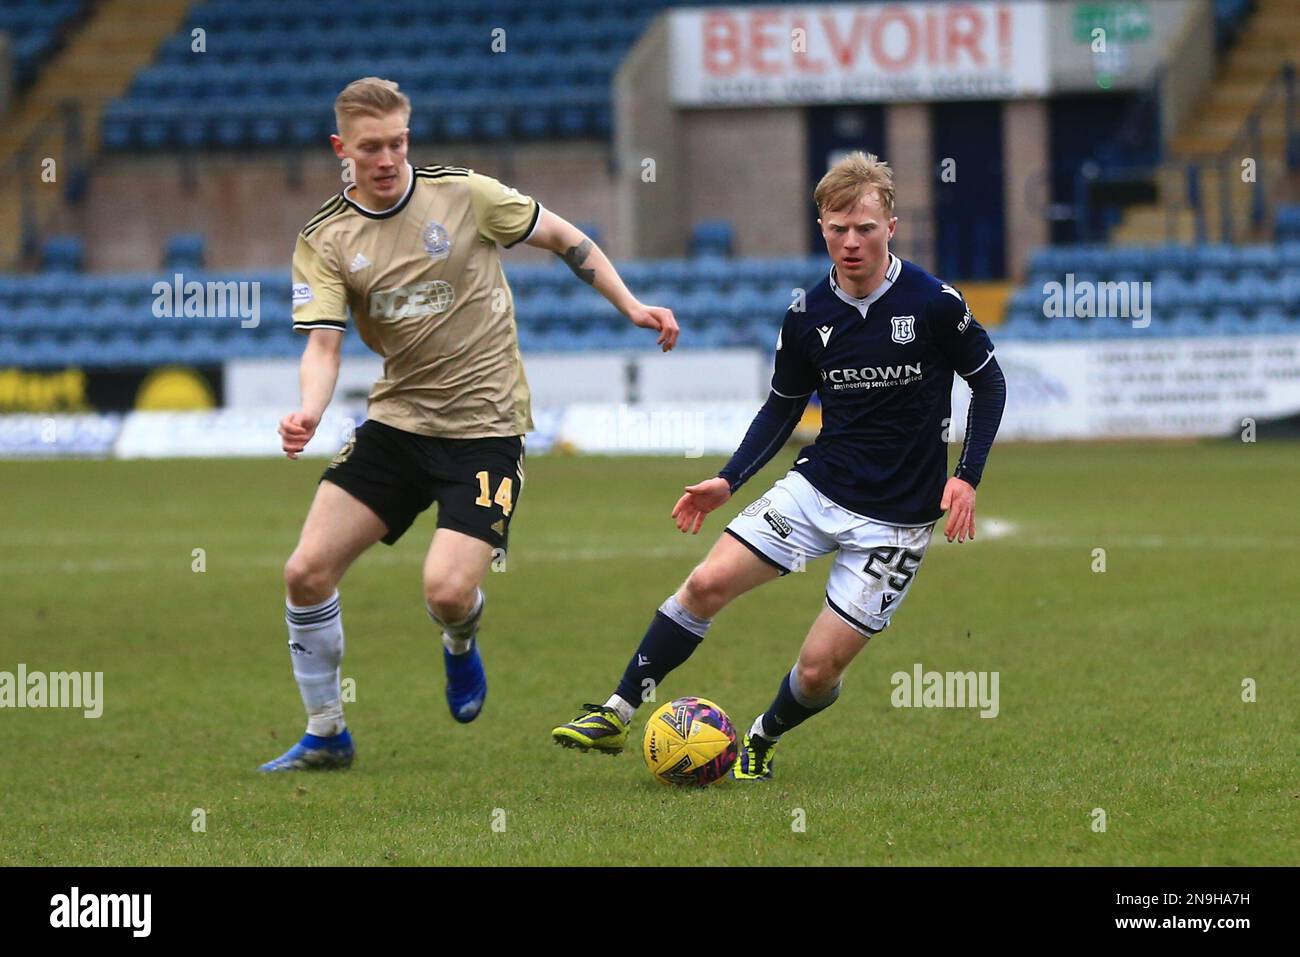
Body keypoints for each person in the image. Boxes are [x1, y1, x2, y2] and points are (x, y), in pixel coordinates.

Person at [261, 77, 678, 772]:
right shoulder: (326, 237)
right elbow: (323, 345)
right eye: (371, 147)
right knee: (305, 571)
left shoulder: (466, 195)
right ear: (342, 149)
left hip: (487, 428)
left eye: (398, 141)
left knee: (447, 591)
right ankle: (326, 730)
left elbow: (567, 237)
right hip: (397, 423)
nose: (389, 157)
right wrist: (309, 407)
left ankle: (459, 641)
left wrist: (630, 305)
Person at [552, 151, 1006, 780]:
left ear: (891, 228)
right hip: (817, 488)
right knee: (706, 583)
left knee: (819, 672)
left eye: (865, 229)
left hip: (898, 520)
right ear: (821, 225)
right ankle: (615, 711)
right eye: (837, 228)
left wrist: (968, 475)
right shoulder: (807, 314)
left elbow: (990, 385)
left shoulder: (934, 303)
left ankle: (762, 738)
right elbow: (782, 409)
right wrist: (727, 479)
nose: (851, 242)